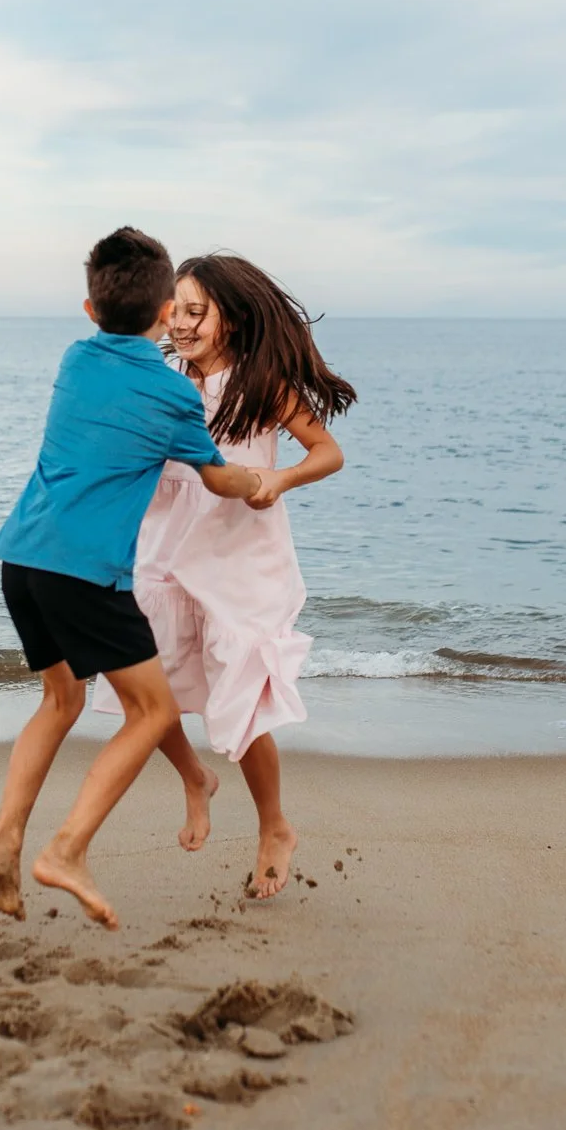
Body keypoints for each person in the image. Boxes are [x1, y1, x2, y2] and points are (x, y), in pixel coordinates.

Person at [0, 227, 262, 931]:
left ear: (87, 308)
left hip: (22, 556)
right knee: (154, 712)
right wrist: (253, 479)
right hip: (84, 570)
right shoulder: (173, 396)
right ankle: (66, 849)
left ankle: (2, 842)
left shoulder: (74, 360)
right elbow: (215, 476)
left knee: (59, 700)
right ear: (169, 311)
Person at [90, 252, 355, 899]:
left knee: (239, 701)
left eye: (195, 311)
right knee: (144, 688)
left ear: (230, 318)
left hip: (239, 558)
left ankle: (274, 826)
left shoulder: (261, 383)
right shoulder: (164, 378)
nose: (179, 323)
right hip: (166, 552)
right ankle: (193, 778)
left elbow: (328, 452)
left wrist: (281, 477)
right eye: (175, 309)